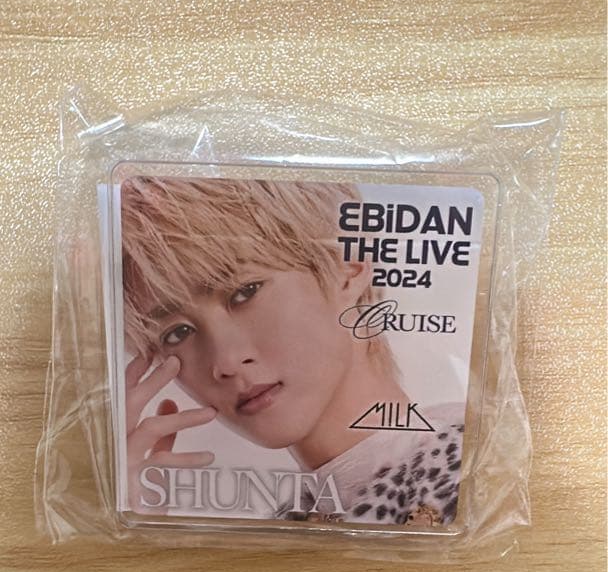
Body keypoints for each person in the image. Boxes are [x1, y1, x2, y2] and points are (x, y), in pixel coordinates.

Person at [121, 176, 464, 525]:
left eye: (245, 292)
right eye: (177, 333)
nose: (226, 362)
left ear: (347, 269)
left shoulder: (474, 472)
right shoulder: (285, 525)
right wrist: (138, 531)